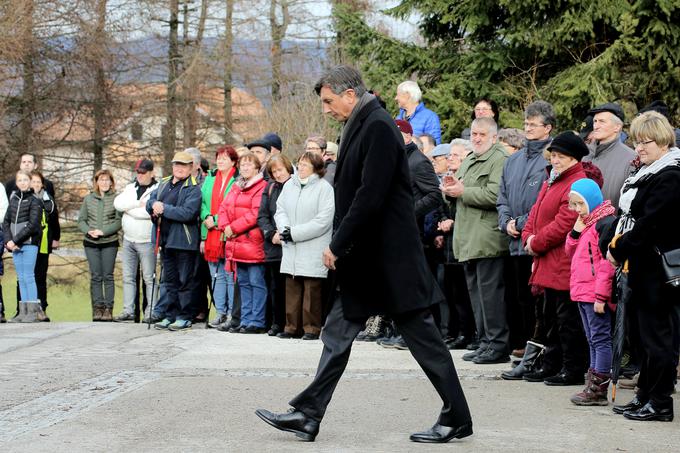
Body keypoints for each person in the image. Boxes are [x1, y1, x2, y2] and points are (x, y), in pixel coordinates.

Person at [256, 65, 472, 444]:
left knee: (424, 340)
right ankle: (308, 414)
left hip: (389, 261)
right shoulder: (363, 122)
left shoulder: (377, 126)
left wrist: (336, 245)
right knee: (337, 333)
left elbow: (370, 196)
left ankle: (457, 416)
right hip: (369, 260)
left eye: (328, 100)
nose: (325, 109)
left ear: (350, 94)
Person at [608, 111, 680, 422]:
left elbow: (650, 224)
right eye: (636, 142)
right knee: (644, 340)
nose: (639, 147)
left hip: (658, 271)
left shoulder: (671, 176)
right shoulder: (648, 173)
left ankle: (661, 402)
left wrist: (618, 246)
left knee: (658, 340)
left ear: (663, 140)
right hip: (641, 267)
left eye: (645, 141)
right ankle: (645, 396)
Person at [521, 132, 590, 385]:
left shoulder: (576, 182)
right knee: (550, 316)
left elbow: (565, 222)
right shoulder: (552, 179)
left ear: (574, 159)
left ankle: (571, 368)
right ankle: (551, 363)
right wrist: (527, 235)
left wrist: (535, 242)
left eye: (561, 156)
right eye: (554, 155)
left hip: (562, 260)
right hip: (546, 259)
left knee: (567, 320)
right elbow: (535, 212)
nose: (556, 160)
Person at [443, 117, 510, 364]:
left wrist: (462, 192)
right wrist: (451, 190)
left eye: (482, 134)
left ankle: (498, 345)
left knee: (491, 297)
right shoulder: (470, 159)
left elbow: (495, 194)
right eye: (474, 134)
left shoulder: (499, 159)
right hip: (468, 238)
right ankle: (484, 342)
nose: (477, 138)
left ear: (494, 136)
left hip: (488, 238)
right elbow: (460, 190)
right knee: (477, 296)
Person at [497, 100, 553, 370]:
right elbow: (503, 195)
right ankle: (523, 344)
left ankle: (539, 349)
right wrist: (506, 220)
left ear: (548, 128)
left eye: (534, 124)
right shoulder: (514, 159)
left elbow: (547, 201)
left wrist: (520, 222)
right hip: (514, 240)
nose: (528, 128)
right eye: (526, 124)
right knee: (519, 297)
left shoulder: (552, 157)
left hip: (538, 241)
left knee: (538, 301)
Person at [564, 178, 616, 406]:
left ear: (592, 202)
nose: (576, 210)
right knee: (591, 338)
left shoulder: (603, 224)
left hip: (595, 294)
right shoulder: (586, 223)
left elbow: (606, 264)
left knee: (600, 338)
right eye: (573, 205)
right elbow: (570, 252)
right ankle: (593, 380)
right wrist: (575, 232)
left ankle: (599, 387)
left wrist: (601, 296)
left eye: (580, 205)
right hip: (581, 291)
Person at [275, 152, 334, 340]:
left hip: (312, 245)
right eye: (299, 163)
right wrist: (285, 229)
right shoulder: (289, 186)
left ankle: (311, 328)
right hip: (291, 245)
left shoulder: (324, 188)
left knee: (312, 290)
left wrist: (295, 233)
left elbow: (323, 220)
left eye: (305, 165)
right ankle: (291, 327)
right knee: (292, 288)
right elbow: (280, 210)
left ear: (316, 168)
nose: (300, 167)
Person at [147, 151, 202, 331]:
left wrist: (163, 209)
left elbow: (188, 213)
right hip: (165, 240)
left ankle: (184, 316)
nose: (179, 168)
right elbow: (151, 200)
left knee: (184, 281)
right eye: (176, 164)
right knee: (169, 281)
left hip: (183, 241)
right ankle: (170, 315)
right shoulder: (163, 183)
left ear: (191, 168)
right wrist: (153, 206)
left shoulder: (193, 187)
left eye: (184, 165)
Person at [218, 152, 268, 333]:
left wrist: (234, 228)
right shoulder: (235, 186)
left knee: (256, 282)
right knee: (244, 283)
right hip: (236, 243)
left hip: (252, 242)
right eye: (243, 165)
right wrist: (225, 227)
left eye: (249, 165)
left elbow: (255, 214)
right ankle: (245, 320)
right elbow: (223, 208)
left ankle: (257, 320)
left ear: (256, 168)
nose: (245, 168)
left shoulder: (261, 186)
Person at [437, 139, 475, 349]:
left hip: (463, 242)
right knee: (450, 292)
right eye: (449, 155)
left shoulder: (466, 180)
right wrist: (442, 221)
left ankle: (466, 333)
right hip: (448, 245)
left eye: (455, 155)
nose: (449, 158)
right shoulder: (449, 179)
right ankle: (453, 331)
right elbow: (442, 205)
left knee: (463, 293)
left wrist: (453, 221)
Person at [113, 159, 158, 322]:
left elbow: (149, 213)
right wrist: (138, 204)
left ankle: (151, 311)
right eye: (138, 172)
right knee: (128, 277)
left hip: (146, 241)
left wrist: (129, 210)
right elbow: (118, 204)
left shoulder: (157, 189)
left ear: (151, 173)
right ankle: (128, 311)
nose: (140, 175)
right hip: (129, 240)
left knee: (149, 278)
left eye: (143, 172)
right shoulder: (130, 187)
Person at [201, 146, 239, 328]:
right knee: (215, 275)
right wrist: (207, 217)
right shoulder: (210, 179)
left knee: (229, 274)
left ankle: (232, 312)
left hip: (227, 233)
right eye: (219, 157)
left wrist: (215, 220)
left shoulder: (237, 180)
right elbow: (201, 202)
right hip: (209, 233)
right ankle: (220, 312)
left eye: (225, 158)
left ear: (233, 161)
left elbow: (233, 206)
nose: (221, 161)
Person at [257, 154, 294, 336]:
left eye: (280, 170)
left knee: (291, 287)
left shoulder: (295, 186)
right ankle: (276, 322)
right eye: (274, 171)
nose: (278, 174)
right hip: (273, 245)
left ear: (287, 167)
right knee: (275, 287)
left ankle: (291, 323)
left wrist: (286, 233)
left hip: (291, 243)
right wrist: (271, 233)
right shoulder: (270, 187)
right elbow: (262, 215)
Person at [78, 170, 121, 322]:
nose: (104, 182)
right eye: (101, 180)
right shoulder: (88, 199)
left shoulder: (116, 199)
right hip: (91, 243)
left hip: (109, 242)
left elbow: (118, 221)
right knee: (96, 276)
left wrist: (103, 231)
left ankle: (109, 309)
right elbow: (81, 220)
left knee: (107, 276)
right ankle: (98, 308)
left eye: (107, 180)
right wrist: (89, 231)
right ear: (96, 182)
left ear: (111, 182)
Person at [4, 170, 45, 322]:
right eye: (20, 180)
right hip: (14, 246)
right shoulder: (13, 199)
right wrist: (9, 242)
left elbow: (33, 225)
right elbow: (7, 222)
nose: (22, 182)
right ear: (16, 183)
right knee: (20, 278)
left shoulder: (35, 200)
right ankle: (23, 313)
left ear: (30, 182)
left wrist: (16, 241)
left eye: (25, 180)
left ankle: (32, 313)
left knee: (28, 276)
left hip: (29, 244)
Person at [582, 103, 636, 208]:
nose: (596, 126)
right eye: (595, 121)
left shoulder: (631, 159)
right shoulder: (584, 154)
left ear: (617, 127)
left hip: (610, 222)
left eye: (602, 121)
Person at [30, 171, 60, 319]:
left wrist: (56, 238)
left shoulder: (49, 201)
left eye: (38, 182)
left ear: (42, 184)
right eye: (33, 181)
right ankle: (25, 308)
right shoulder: (24, 198)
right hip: (28, 243)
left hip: (43, 243)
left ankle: (42, 307)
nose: (35, 184)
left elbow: (55, 221)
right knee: (28, 276)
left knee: (41, 277)